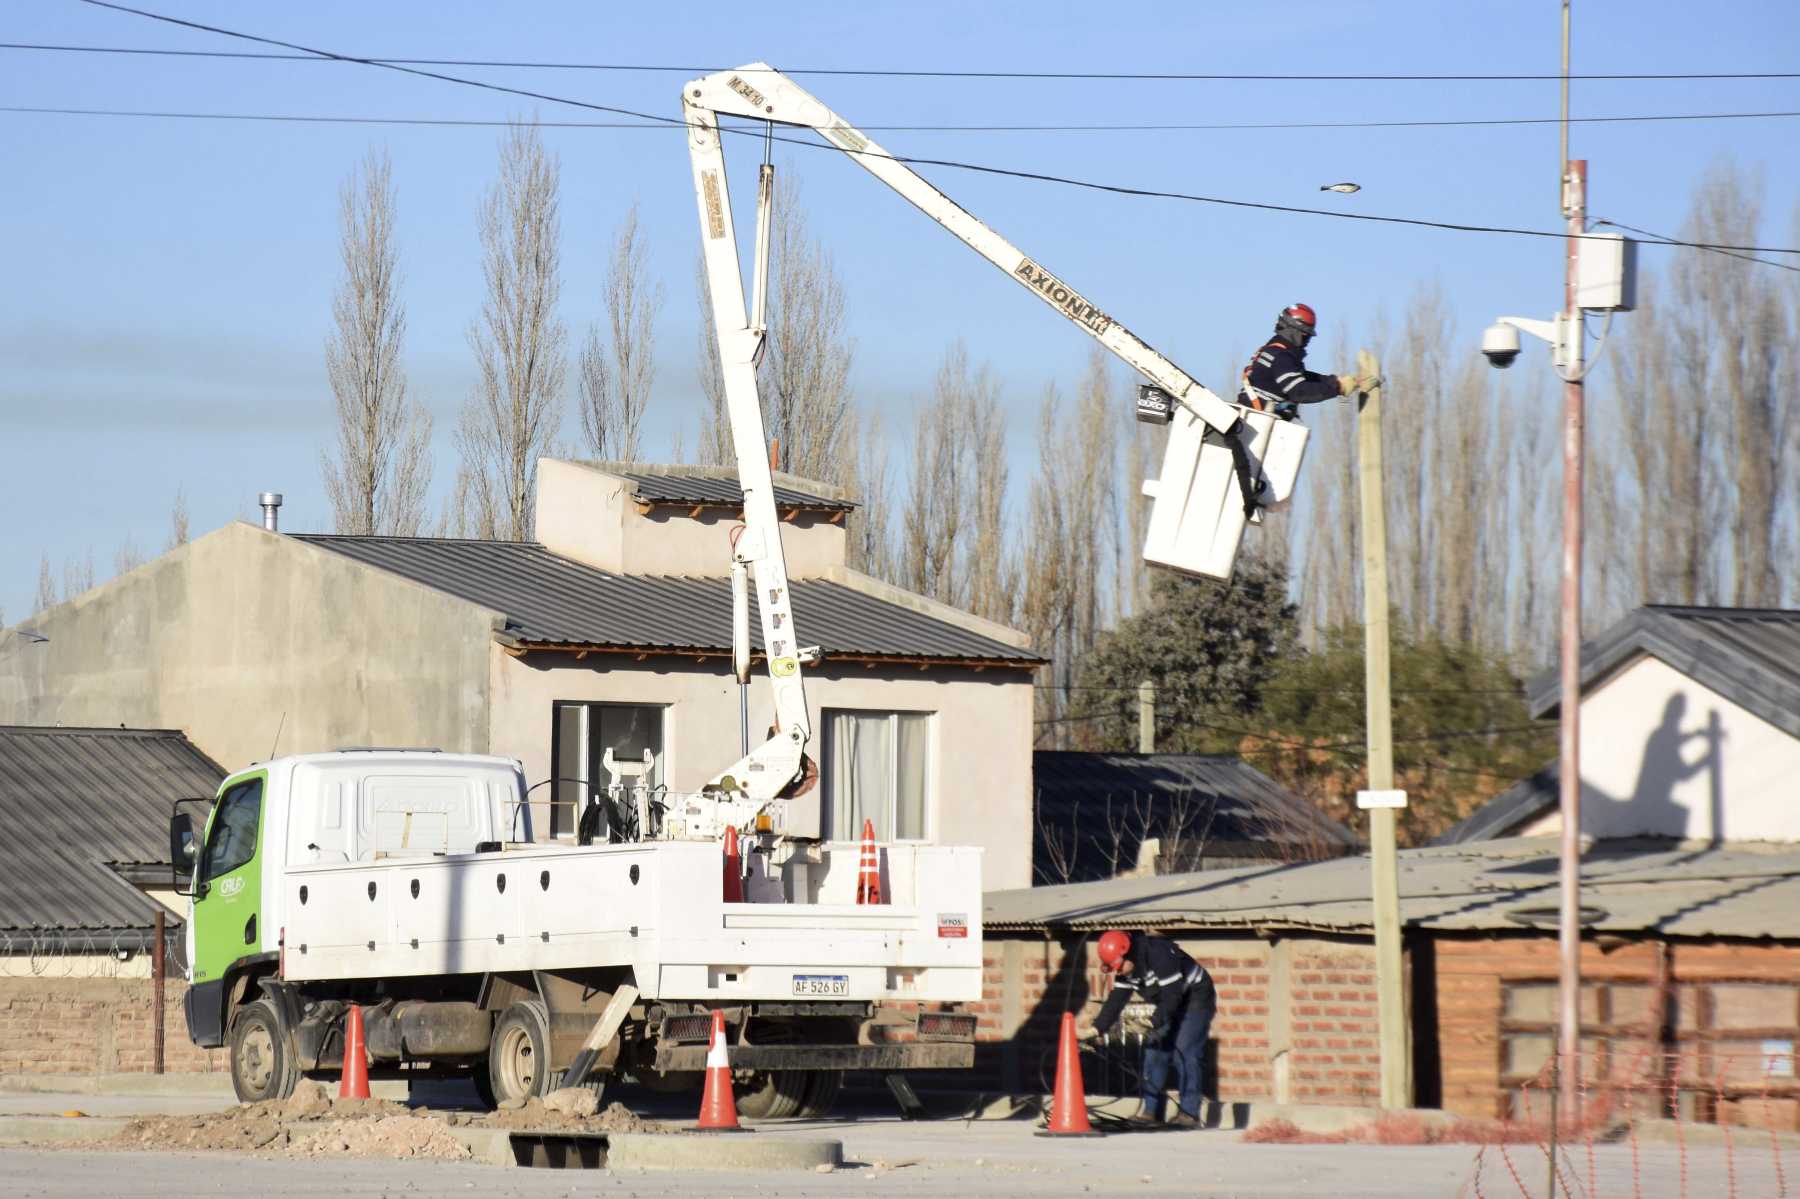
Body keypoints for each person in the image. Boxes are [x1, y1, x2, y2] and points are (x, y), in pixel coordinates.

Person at [1224, 302, 1373, 515]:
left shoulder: (1277, 351)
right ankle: (1261, 498)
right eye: (1305, 336)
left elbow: (1303, 377)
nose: (1306, 342)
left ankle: (1259, 497)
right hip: (1256, 428)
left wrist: (1334, 381)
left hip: (1254, 424)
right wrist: (1338, 389)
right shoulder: (1282, 357)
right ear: (1294, 331)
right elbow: (1299, 391)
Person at [1078, 929, 1216, 1128]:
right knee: (1154, 1052)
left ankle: (1189, 1113)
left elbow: (1172, 996)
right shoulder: (1128, 968)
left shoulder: (1159, 954)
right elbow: (1116, 1001)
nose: (1119, 972)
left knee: (1186, 1053)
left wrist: (1155, 1021)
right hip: (1167, 1001)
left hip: (1195, 997)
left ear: (1127, 953)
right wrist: (1097, 1029)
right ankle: (1150, 1112)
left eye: (1119, 966)